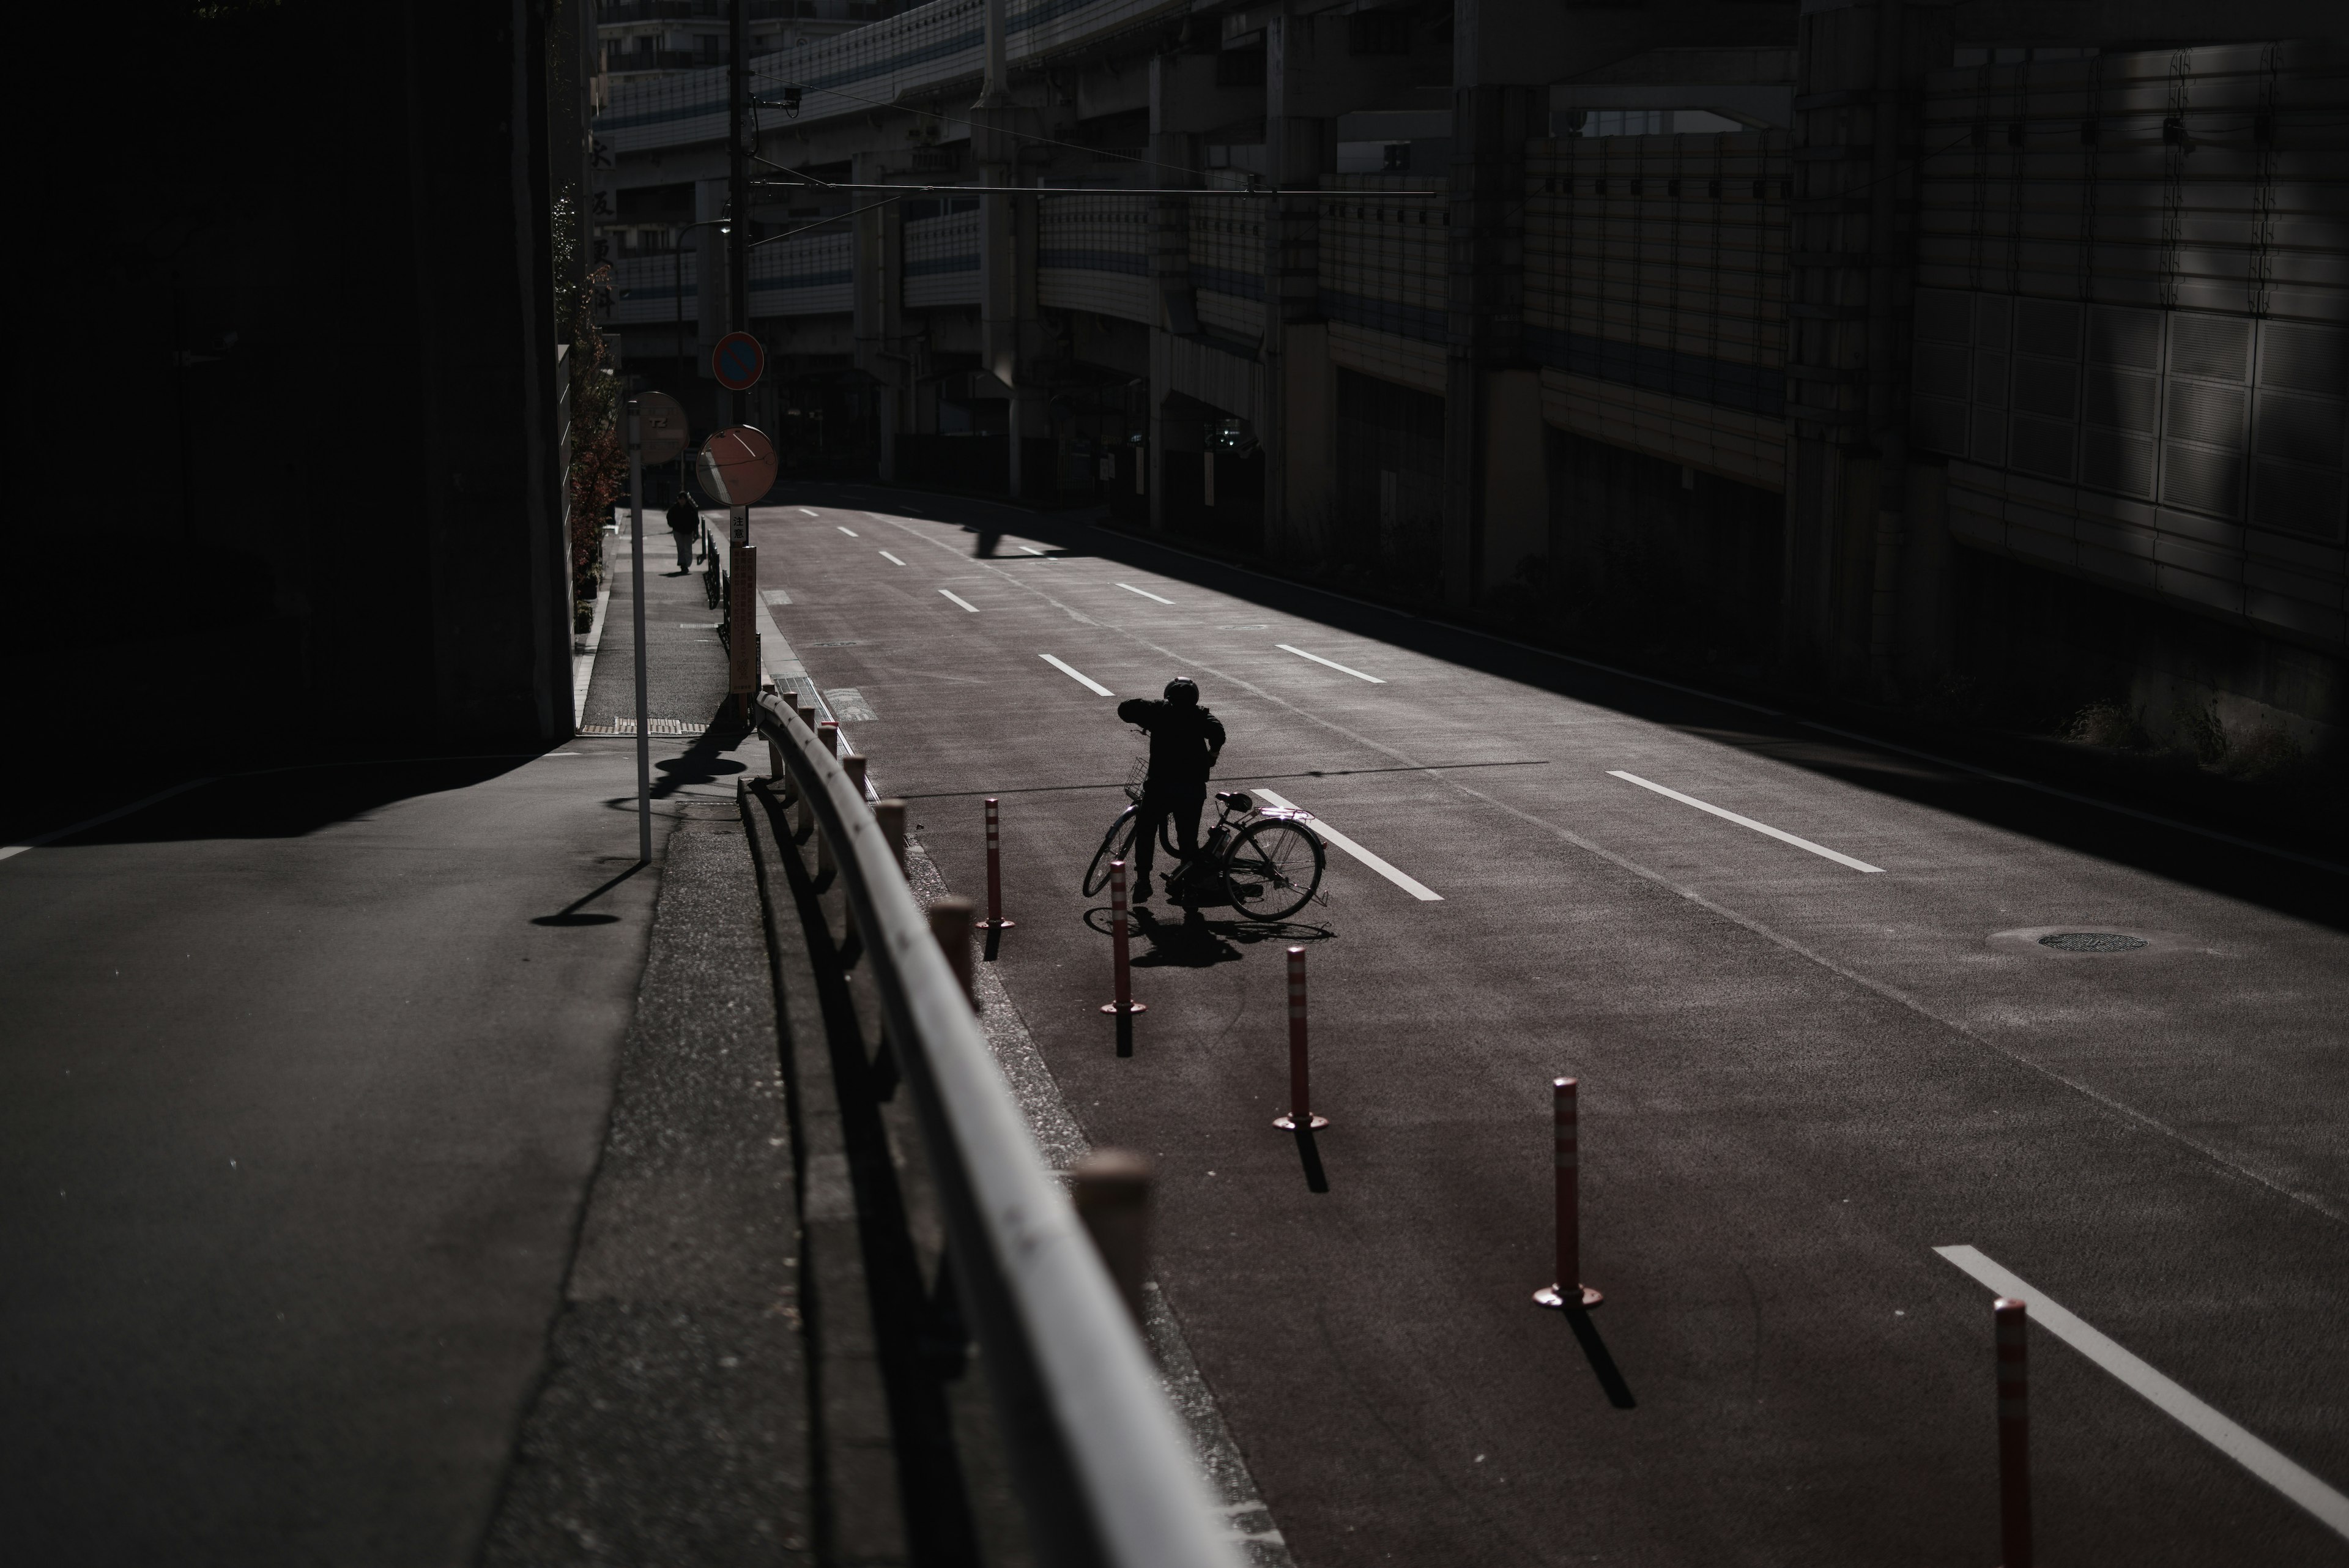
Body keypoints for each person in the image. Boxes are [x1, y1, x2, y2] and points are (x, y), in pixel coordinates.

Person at [1114, 677, 1226, 901]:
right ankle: (1189, 888)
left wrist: (1152, 708)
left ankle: (1143, 881)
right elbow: (1218, 734)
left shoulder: (1157, 711)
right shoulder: (1200, 715)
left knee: (1146, 831)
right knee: (1188, 839)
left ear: (1168, 695)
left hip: (1160, 785)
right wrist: (1212, 755)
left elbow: (1125, 710)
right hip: (1191, 787)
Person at [664, 491, 701, 574]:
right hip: (678, 531)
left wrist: (693, 530)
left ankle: (687, 563)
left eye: (684, 499)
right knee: (681, 548)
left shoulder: (691, 508)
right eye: (681, 499)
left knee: (687, 548)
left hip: (688, 531)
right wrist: (672, 525)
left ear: (686, 500)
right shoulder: (675, 508)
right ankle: (683, 564)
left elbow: (696, 520)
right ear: (678, 500)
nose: (682, 501)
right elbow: (669, 517)